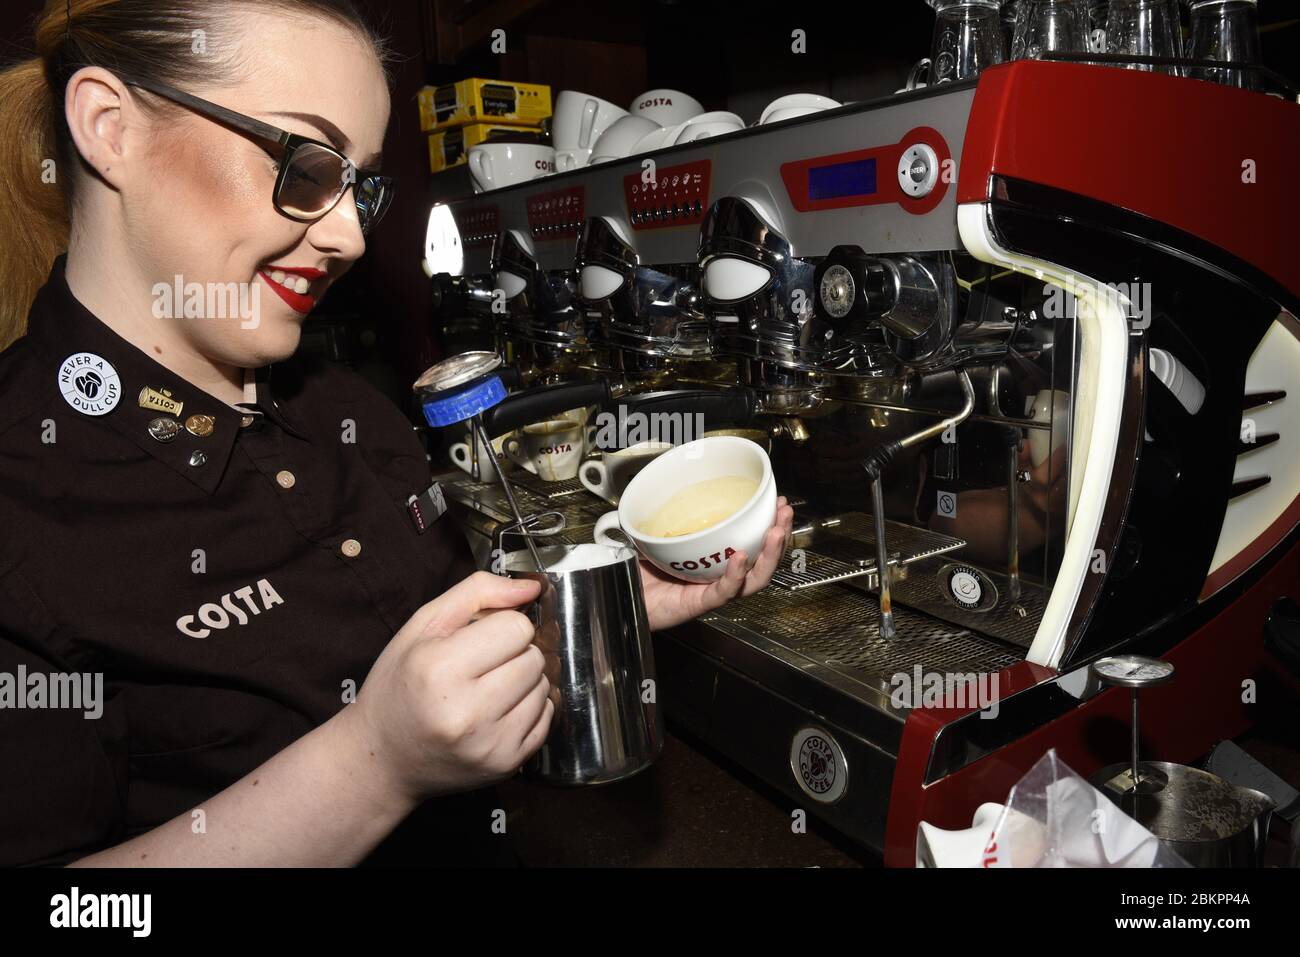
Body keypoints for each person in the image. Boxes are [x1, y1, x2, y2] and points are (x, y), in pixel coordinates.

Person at [0, 0, 794, 867]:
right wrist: (374, 764)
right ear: (108, 127)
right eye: (304, 164)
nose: (346, 236)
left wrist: (600, 608)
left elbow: (439, 668)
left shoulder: (349, 409)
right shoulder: (22, 499)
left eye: (361, 184)